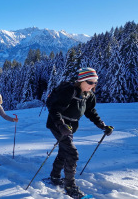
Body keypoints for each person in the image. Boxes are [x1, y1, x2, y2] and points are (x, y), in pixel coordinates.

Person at [46, 67, 114, 198]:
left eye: (95, 82)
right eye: (90, 82)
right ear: (81, 80)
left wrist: (102, 125)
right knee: (72, 153)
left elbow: (90, 112)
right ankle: (70, 187)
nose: (92, 85)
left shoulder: (88, 96)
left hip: (70, 127)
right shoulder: (69, 91)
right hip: (57, 125)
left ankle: (54, 177)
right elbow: (54, 109)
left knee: (64, 151)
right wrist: (61, 125)